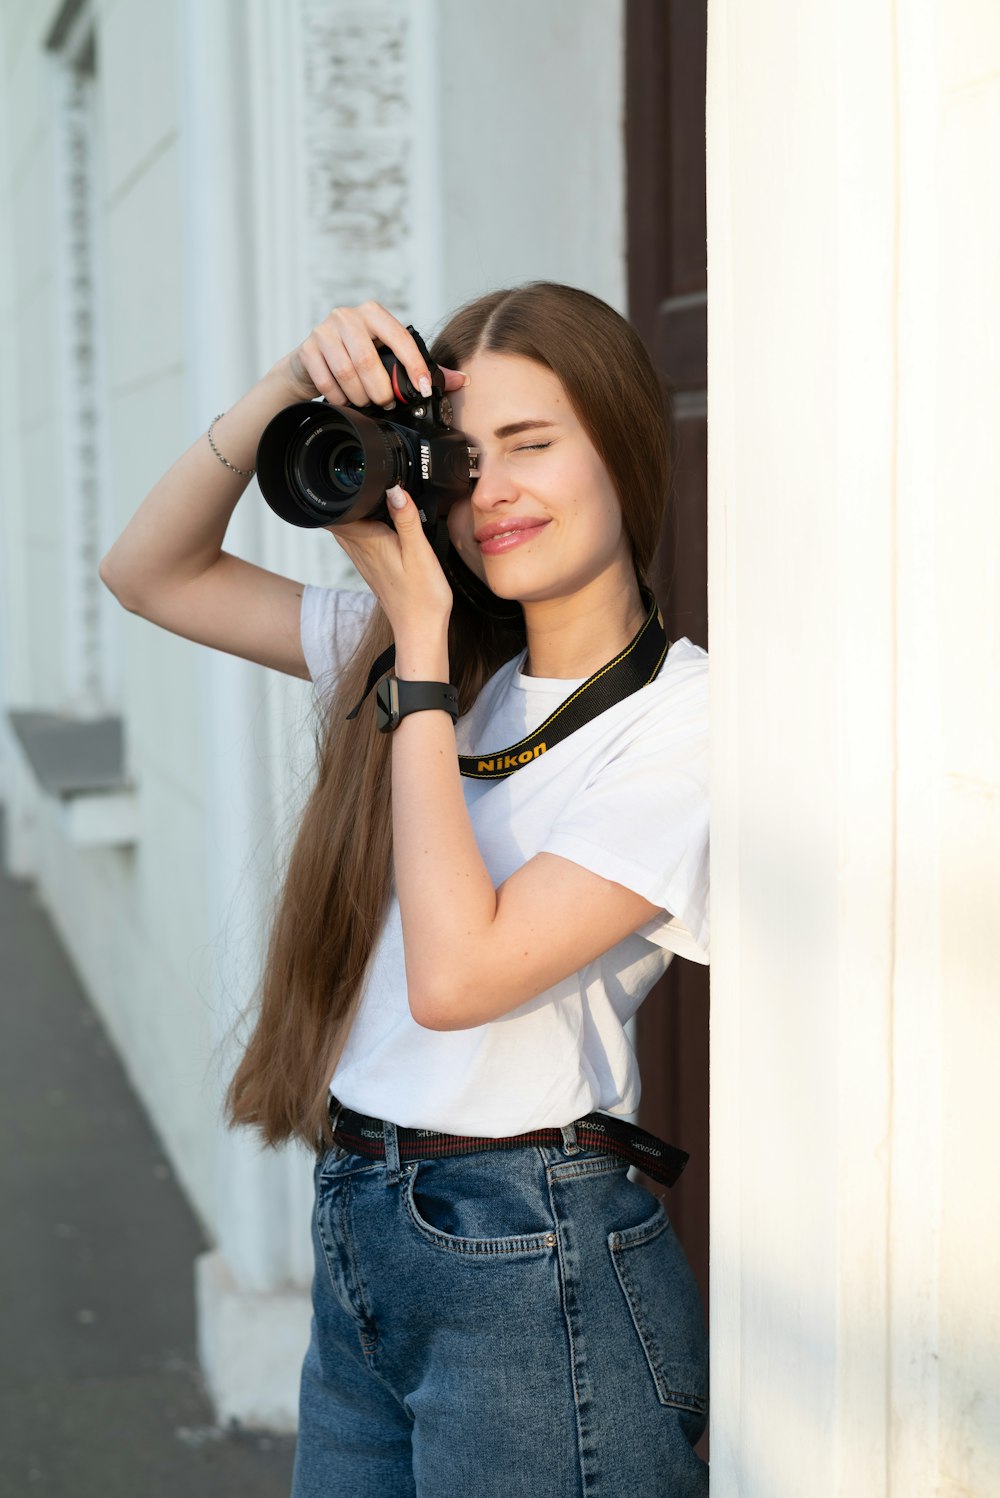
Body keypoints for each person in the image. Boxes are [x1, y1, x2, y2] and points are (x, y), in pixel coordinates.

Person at [99, 282, 710, 1496]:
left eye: (534, 445)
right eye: (465, 458)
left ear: (625, 451)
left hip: (530, 1252)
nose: (492, 493)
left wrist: (419, 649)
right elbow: (148, 571)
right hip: (365, 1215)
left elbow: (458, 975)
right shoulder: (431, 651)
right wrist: (290, 383)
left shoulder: (687, 723)